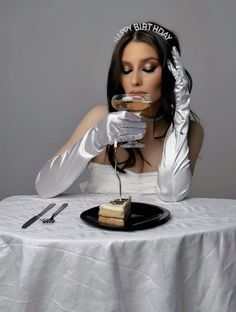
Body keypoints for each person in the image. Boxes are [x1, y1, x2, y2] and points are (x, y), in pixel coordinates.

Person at [35, 21, 204, 201]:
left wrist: (181, 113)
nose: (135, 80)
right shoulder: (100, 117)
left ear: (170, 73)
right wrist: (95, 138)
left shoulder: (192, 131)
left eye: (148, 68)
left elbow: (171, 194)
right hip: (97, 228)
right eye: (126, 70)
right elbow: (44, 187)